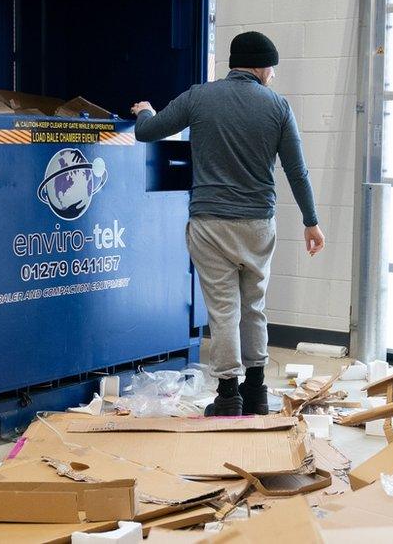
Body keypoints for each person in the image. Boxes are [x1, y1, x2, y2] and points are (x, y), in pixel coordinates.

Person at [131, 31, 325, 416]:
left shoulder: (199, 96)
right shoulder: (278, 106)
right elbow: (297, 170)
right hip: (257, 225)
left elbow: (147, 132)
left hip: (211, 224)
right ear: (261, 66)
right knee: (254, 307)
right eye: (272, 68)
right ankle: (256, 392)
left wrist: (144, 111)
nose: (273, 75)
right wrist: (311, 221)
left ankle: (228, 396)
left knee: (223, 311)